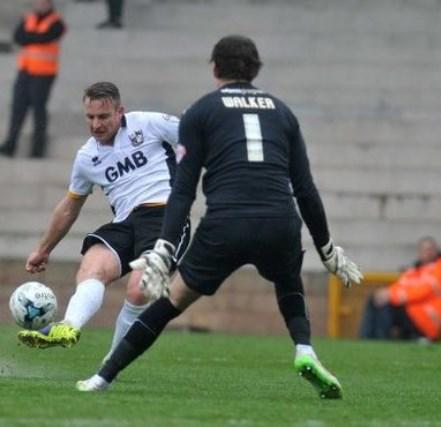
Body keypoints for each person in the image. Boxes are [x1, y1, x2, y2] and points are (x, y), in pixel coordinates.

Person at [76, 35, 363, 399]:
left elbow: (182, 189)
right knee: (289, 283)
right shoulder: (282, 111)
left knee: (168, 303)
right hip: (280, 219)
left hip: (226, 225)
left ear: (214, 68)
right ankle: (304, 349)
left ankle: (102, 377)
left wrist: (164, 249)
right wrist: (327, 249)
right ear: (256, 68)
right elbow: (305, 188)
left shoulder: (201, 111)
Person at [17, 82, 190, 363]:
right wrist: (43, 248)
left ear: (120, 112)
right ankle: (68, 328)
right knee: (93, 265)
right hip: (125, 221)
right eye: (90, 117)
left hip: (165, 215)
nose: (96, 124)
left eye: (103, 117)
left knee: (139, 288)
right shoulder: (87, 157)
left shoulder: (149, 123)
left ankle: (113, 360)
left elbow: (194, 134)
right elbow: (70, 206)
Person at [0, 0, 65, 158]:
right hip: (25, 70)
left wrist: (30, 37)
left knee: (38, 109)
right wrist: (34, 37)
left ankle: (38, 148)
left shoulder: (56, 22)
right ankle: (11, 143)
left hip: (44, 73)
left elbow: (45, 37)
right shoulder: (28, 18)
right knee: (18, 108)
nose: (39, 4)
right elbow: (18, 37)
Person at [359, 237, 441, 341]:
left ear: (436, 251)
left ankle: (379, 341)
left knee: (386, 306)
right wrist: (386, 293)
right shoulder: (415, 271)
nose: (428, 252)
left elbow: (422, 291)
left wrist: (390, 296)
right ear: (419, 252)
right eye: (424, 249)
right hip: (414, 313)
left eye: (431, 249)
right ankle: (366, 340)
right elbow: (400, 286)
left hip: (427, 319)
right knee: (375, 299)